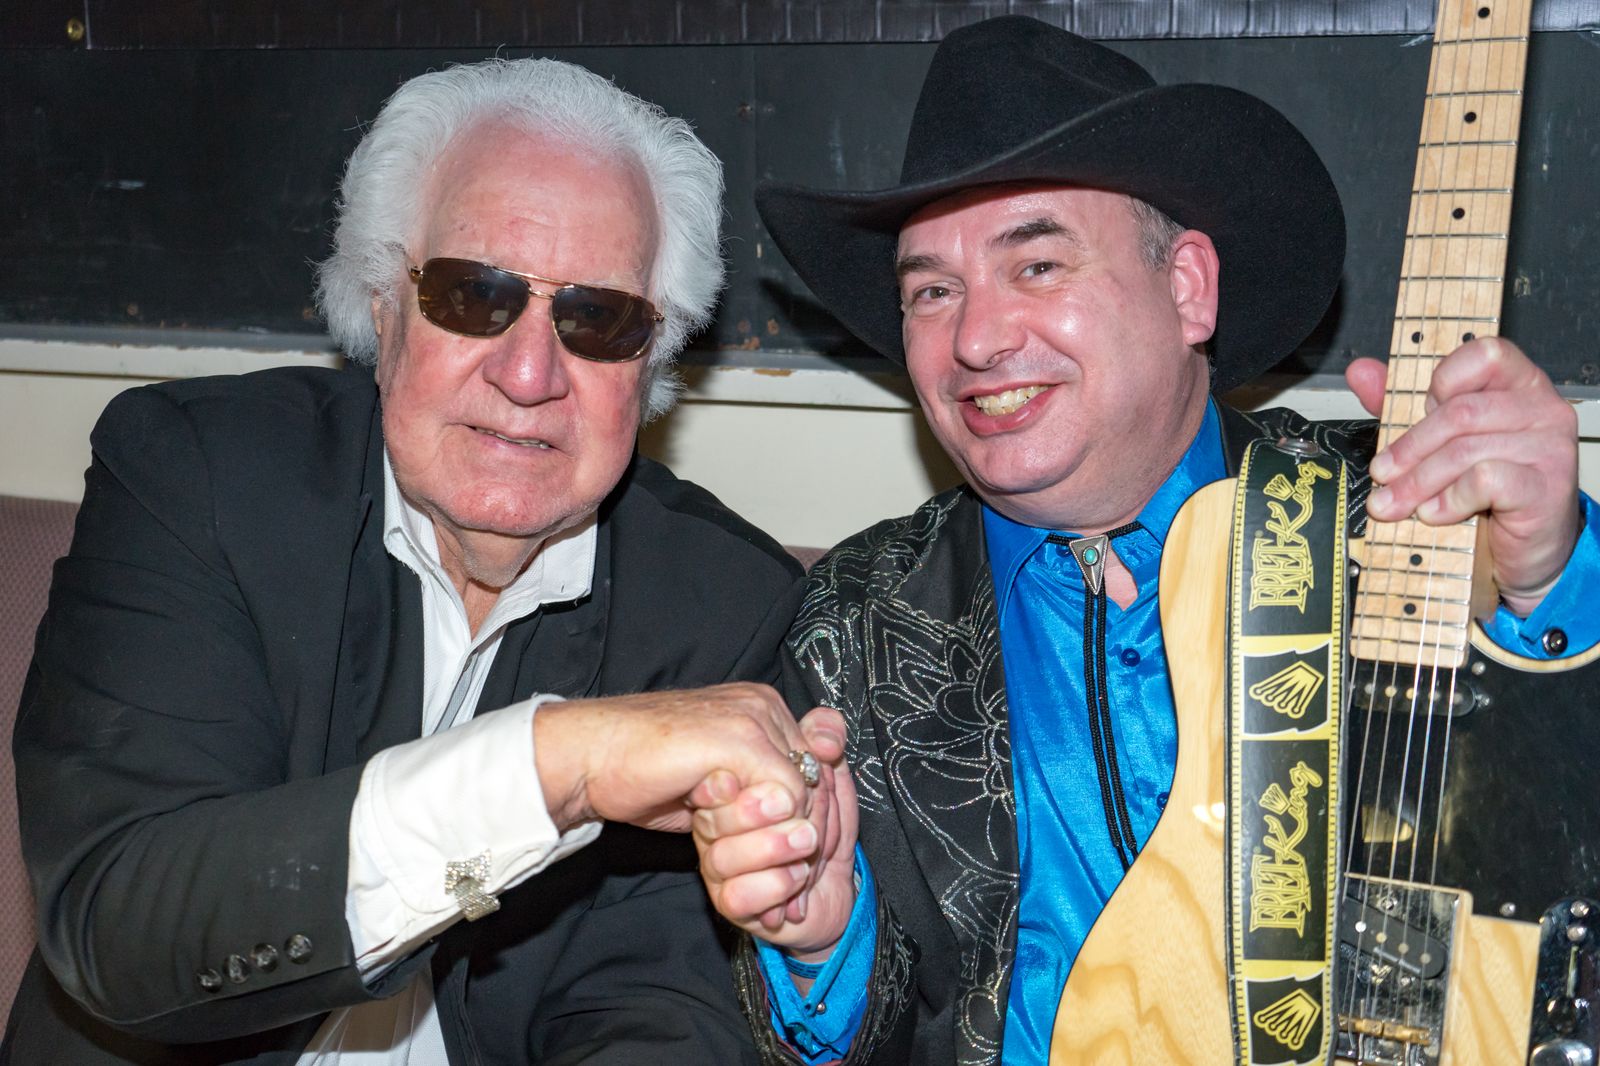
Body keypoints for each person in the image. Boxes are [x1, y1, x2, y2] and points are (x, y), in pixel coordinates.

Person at [688, 16, 1600, 1064]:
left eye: (1037, 264)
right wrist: (819, 946)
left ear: (1187, 288)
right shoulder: (852, 622)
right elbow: (873, 1030)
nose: (975, 338)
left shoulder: (1401, 517)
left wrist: (1547, 578)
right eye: (932, 291)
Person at [4, 57, 841, 1065]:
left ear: (652, 356)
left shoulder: (724, 608)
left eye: (597, 318)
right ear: (380, 303)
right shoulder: (201, 479)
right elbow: (125, 923)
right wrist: (556, 765)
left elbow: (657, 1009)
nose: (528, 373)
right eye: (472, 294)